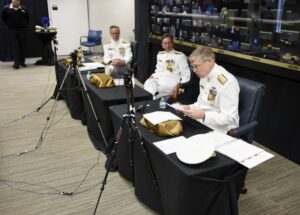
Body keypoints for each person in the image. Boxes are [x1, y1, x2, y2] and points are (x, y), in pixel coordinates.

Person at [182, 47, 240, 133]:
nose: (195, 71)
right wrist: (189, 107)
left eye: (196, 66)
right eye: (193, 67)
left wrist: (204, 116)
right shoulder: (204, 76)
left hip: (221, 130)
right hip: (203, 123)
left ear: (209, 61)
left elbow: (229, 118)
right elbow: (202, 103)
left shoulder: (227, 82)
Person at [144, 33, 190, 99]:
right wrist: (153, 76)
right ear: (162, 45)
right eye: (165, 43)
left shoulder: (180, 56)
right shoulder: (160, 54)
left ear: (173, 43)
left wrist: (180, 90)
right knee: (148, 82)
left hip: (171, 82)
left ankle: (150, 100)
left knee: (155, 90)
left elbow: (186, 75)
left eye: (169, 43)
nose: (167, 45)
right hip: (160, 79)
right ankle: (151, 100)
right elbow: (158, 70)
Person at [1, 0, 30, 69]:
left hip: (22, 30)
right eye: (14, 0)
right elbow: (3, 18)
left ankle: (22, 62)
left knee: (22, 46)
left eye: (17, 0)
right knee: (15, 46)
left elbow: (27, 18)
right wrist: (9, 24)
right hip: (12, 30)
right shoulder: (6, 9)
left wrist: (23, 25)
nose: (15, 1)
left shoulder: (24, 9)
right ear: (12, 0)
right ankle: (16, 63)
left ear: (19, 1)